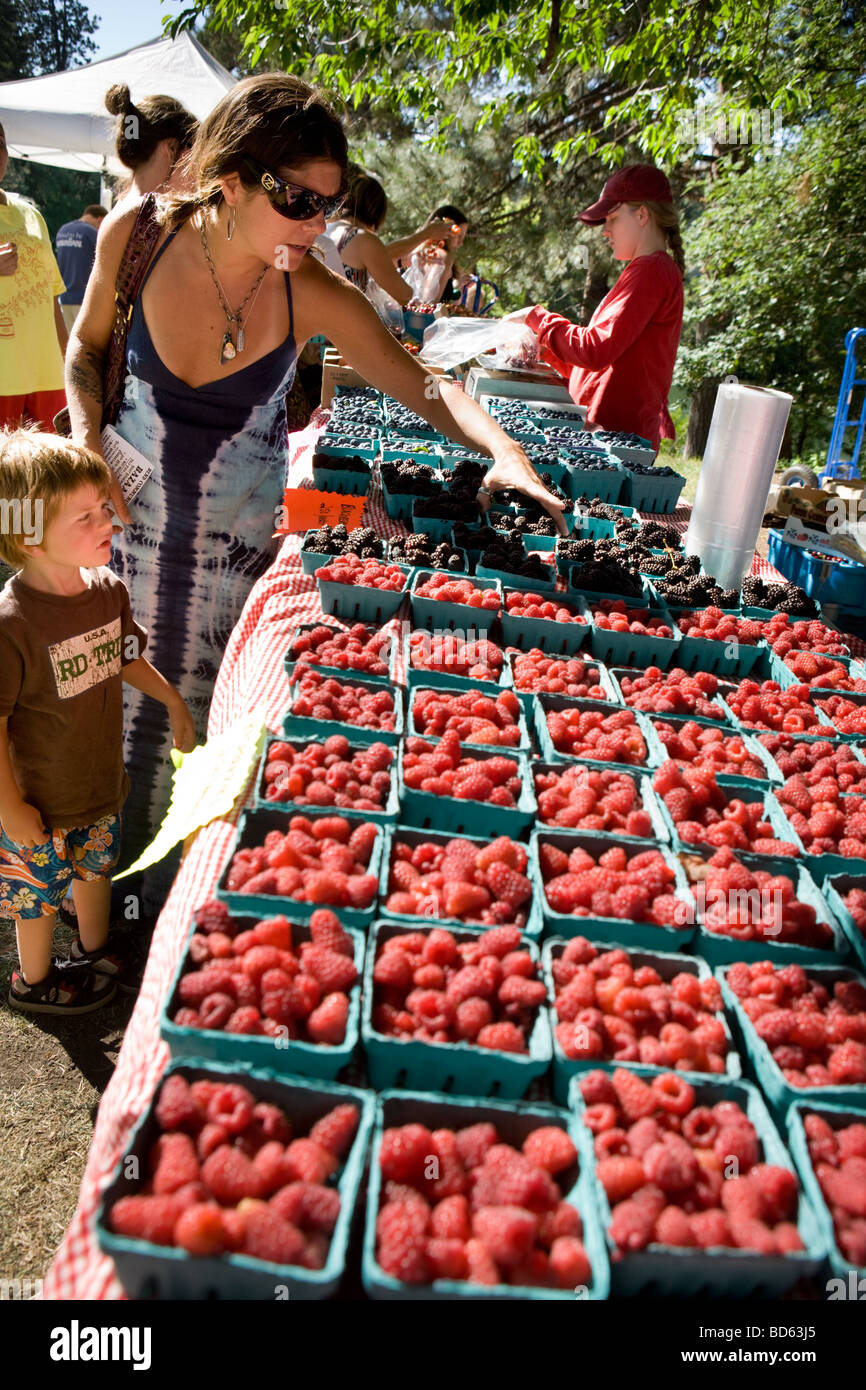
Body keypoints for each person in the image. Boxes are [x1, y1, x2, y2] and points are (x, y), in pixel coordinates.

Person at [65, 73, 564, 900]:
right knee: (100, 723)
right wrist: (86, 439)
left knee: (203, 737)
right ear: (231, 180)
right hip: (125, 538)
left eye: (328, 206)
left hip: (235, 562)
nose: (319, 226)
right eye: (300, 202)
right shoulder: (138, 236)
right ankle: (87, 918)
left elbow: (425, 384)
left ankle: (167, 910)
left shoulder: (309, 288)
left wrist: (503, 450)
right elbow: (85, 353)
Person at [0, 428, 195, 1014]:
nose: (106, 520)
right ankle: (33, 982)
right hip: (38, 801)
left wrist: (173, 701)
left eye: (103, 506)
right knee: (35, 899)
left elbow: (124, 655)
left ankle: (93, 949)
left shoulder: (107, 590)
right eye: (84, 516)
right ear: (29, 536)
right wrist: (9, 807)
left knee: (96, 871)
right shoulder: (12, 624)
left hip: (98, 783)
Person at [508, 165, 684, 451]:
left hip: (619, 442)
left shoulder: (652, 270)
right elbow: (599, 366)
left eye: (613, 218)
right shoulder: (644, 271)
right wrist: (545, 348)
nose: (606, 231)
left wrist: (535, 317)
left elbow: (595, 350)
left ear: (642, 215)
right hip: (603, 434)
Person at [0, 121, 69, 432]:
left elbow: (51, 294)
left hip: (47, 373)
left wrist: (70, 359)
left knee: (49, 475)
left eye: (0, 142)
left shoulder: (31, 214)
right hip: (4, 376)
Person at [326, 170, 455, 305]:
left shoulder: (328, 229)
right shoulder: (363, 238)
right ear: (377, 211)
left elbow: (381, 253)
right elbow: (404, 295)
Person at [104, 85, 198, 209]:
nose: (199, 166)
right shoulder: (130, 218)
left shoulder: (127, 214)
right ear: (171, 147)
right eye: (195, 151)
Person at [404, 203, 470, 304]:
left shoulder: (419, 252)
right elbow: (430, 301)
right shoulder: (442, 256)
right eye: (459, 236)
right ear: (447, 231)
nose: (461, 243)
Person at [55, 205, 108, 331]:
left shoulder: (62, 230)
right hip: (85, 299)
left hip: (64, 298)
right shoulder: (92, 233)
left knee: (68, 343)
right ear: (100, 220)